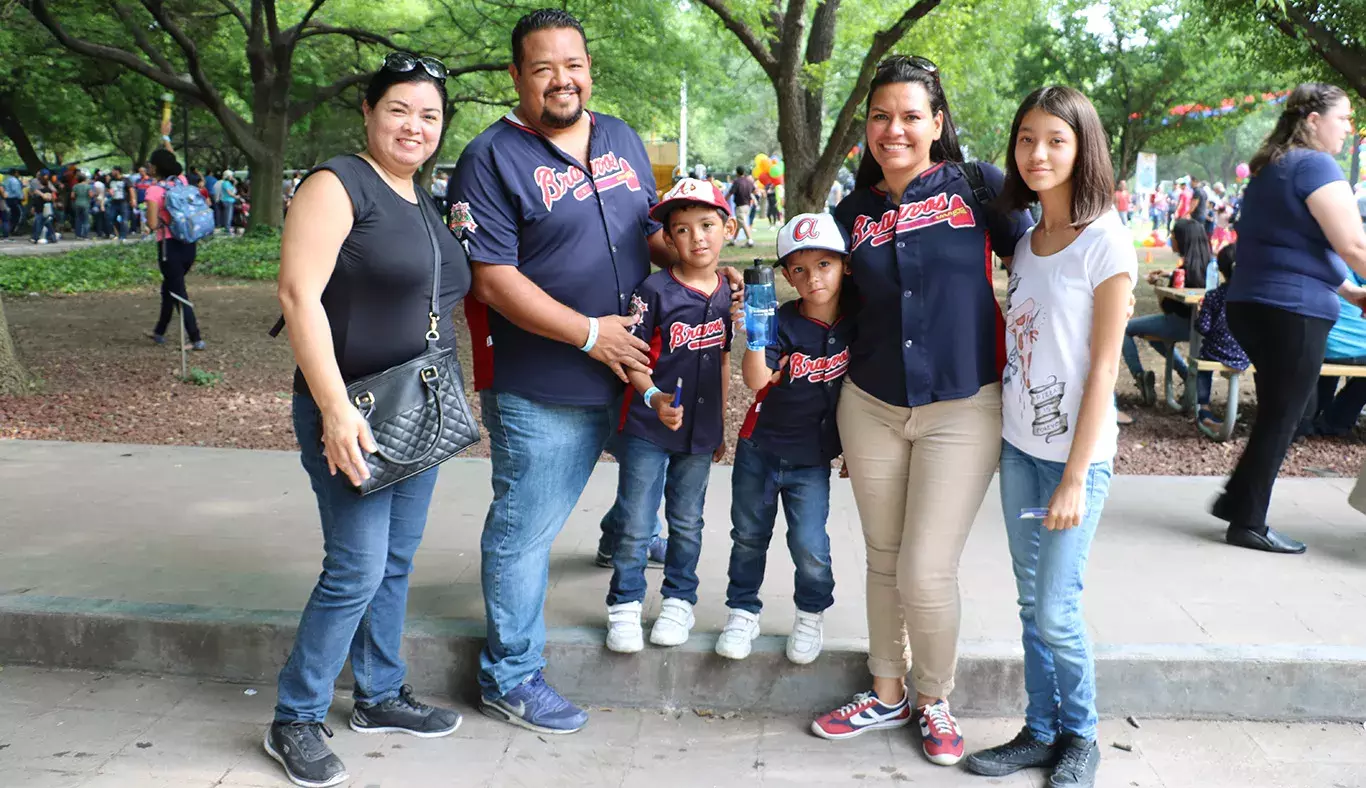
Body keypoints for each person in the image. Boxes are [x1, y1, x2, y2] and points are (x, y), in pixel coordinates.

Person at [451, 9, 741, 735]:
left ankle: (622, 536)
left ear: (589, 69)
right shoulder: (489, 158)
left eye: (572, 65)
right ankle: (509, 675)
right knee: (523, 529)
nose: (561, 80)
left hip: (638, 360)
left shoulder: (618, 137)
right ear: (515, 77)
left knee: (644, 459)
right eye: (543, 68)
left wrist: (698, 266)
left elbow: (649, 229)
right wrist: (589, 335)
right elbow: (491, 279)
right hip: (545, 381)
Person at [809, 55, 1033, 768]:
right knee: (883, 559)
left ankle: (934, 696)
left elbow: (1044, 262)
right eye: (880, 117)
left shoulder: (980, 190)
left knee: (925, 570)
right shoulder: (851, 214)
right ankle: (885, 691)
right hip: (870, 404)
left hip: (963, 407)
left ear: (937, 123)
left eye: (910, 115)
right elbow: (830, 306)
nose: (894, 129)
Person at [265, 51, 469, 788]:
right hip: (352, 409)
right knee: (354, 567)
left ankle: (380, 696)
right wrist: (333, 409)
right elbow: (298, 296)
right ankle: (295, 714)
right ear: (369, 112)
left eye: (430, 115)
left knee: (394, 563)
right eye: (400, 109)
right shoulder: (337, 183)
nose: (415, 126)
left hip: (414, 408)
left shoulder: (420, 197)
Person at [961, 84, 1133, 788]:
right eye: (1027, 138)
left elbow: (1102, 369)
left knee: (1058, 609)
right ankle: (1039, 730)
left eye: (1055, 140)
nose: (1038, 153)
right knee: (1032, 601)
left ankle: (1081, 736)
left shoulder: (1107, 242)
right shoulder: (1027, 243)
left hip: (1073, 465)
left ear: (1082, 147)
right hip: (1021, 450)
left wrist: (1073, 477)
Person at [1213, 83, 1366, 554]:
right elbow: (1354, 246)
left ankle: (1236, 501)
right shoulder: (1317, 164)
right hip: (1291, 312)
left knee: (1284, 411)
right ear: (1314, 120)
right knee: (1288, 416)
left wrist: (1351, 293)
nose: (1350, 128)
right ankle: (1248, 522)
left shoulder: (1272, 168)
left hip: (1253, 303)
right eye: (1343, 118)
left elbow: (1291, 249)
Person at [604, 178, 733, 653]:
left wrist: (719, 423)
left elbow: (721, 358)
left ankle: (679, 600)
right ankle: (625, 604)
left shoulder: (726, 295)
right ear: (668, 238)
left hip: (699, 431)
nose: (696, 238)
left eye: (707, 225)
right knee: (638, 521)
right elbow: (633, 358)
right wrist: (655, 397)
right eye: (681, 229)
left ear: (727, 228)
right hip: (647, 429)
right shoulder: (653, 290)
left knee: (687, 520)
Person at [718, 212, 851, 665]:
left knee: (810, 544)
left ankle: (811, 613)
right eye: (799, 268)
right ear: (786, 276)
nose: (812, 277)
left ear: (846, 265)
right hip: (762, 448)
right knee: (749, 536)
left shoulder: (858, 322)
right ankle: (742, 611)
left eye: (824, 265)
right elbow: (756, 380)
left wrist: (855, 447)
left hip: (812, 458)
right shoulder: (780, 320)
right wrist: (756, 333)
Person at [1119, 219, 1211, 406]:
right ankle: (1186, 375)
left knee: (1123, 328)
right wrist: (1169, 274)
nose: (1171, 239)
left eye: (1173, 235)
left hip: (1181, 324)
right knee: (1154, 337)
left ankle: (1140, 375)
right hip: (1205, 328)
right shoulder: (1209, 267)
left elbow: (1169, 308)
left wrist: (1159, 288)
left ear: (1183, 240)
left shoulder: (1184, 273)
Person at [145, 141, 206, 350]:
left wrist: (161, 221)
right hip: (189, 244)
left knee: (178, 291)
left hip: (168, 247)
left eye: (151, 165)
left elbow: (152, 224)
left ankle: (196, 338)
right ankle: (159, 331)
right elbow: (171, 160)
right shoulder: (181, 181)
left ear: (154, 168)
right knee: (169, 288)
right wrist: (166, 140)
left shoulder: (153, 191)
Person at [1193, 244, 1249, 434]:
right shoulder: (1253, 297)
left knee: (1202, 360)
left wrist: (1199, 316)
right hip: (1245, 355)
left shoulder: (1214, 296)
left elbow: (1204, 328)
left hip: (1215, 352)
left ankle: (1204, 407)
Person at [1308, 268, 1366, 436]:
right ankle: (1336, 421)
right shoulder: (1352, 256)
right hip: (1356, 346)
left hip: (1319, 342)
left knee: (1327, 355)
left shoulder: (1310, 258)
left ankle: (1315, 413)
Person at [730, 167, 757, 247]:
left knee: (743, 223)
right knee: (739, 224)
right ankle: (733, 240)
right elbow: (754, 191)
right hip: (747, 205)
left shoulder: (737, 182)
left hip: (740, 205)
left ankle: (750, 240)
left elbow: (731, 192)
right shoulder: (749, 181)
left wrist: (724, 200)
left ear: (737, 173)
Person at [108, 167, 129, 242]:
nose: (112, 172)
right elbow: (108, 188)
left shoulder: (125, 179)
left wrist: (133, 199)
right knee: (111, 218)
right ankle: (120, 232)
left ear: (118, 171)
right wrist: (109, 191)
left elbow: (131, 189)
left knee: (124, 220)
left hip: (123, 202)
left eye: (113, 170)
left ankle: (123, 236)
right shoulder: (111, 180)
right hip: (114, 201)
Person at [71, 173, 91, 240]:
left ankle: (78, 235)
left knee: (78, 219)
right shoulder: (88, 186)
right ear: (84, 179)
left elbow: (72, 196)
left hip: (77, 204)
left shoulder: (75, 186)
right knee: (86, 220)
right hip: (86, 204)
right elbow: (90, 195)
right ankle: (85, 236)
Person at [3, 170, 22, 237]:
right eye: (17, 173)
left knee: (9, 215)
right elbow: (16, 190)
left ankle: (8, 230)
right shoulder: (14, 181)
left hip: (7, 199)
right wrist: (21, 197)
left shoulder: (5, 180)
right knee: (19, 215)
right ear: (15, 173)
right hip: (14, 199)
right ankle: (13, 230)